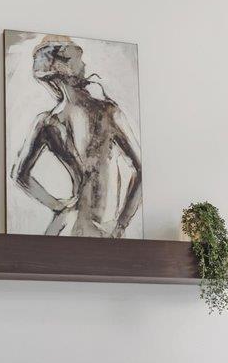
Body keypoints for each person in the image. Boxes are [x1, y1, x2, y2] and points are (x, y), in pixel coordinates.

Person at [11, 35, 143, 238]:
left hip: (68, 226)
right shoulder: (108, 113)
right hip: (100, 229)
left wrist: (58, 206)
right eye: (78, 59)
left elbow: (19, 174)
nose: (84, 64)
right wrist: (121, 226)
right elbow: (141, 170)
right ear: (65, 67)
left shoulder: (48, 122)